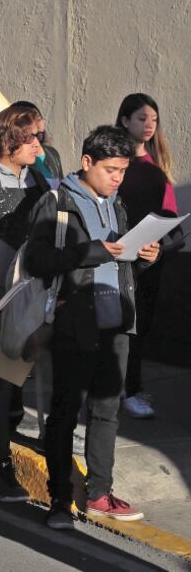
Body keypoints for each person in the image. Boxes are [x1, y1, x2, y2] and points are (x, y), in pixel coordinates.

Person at [26, 126, 160, 529]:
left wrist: (144, 257)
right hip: (74, 321)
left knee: (106, 411)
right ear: (86, 163)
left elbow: (122, 259)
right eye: (110, 170)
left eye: (122, 170)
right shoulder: (58, 203)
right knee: (66, 410)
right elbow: (38, 259)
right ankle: (59, 499)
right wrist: (92, 252)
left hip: (116, 321)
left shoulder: (118, 204)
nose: (117, 178)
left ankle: (100, 493)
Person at [0, 105, 49, 502]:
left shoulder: (35, 176)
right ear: (9, 140)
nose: (39, 144)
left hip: (24, 293)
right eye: (32, 137)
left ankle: (7, 436)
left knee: (15, 376)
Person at [115, 93, 176, 420]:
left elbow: (167, 211)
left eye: (153, 119)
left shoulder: (156, 165)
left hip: (151, 256)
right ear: (125, 120)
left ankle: (132, 385)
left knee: (141, 325)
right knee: (122, 326)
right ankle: (126, 388)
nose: (149, 125)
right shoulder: (114, 163)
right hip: (118, 257)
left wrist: (166, 237)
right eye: (141, 118)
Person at [11, 101, 63, 183]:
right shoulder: (17, 156)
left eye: (39, 119)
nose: (37, 125)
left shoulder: (52, 154)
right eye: (30, 121)